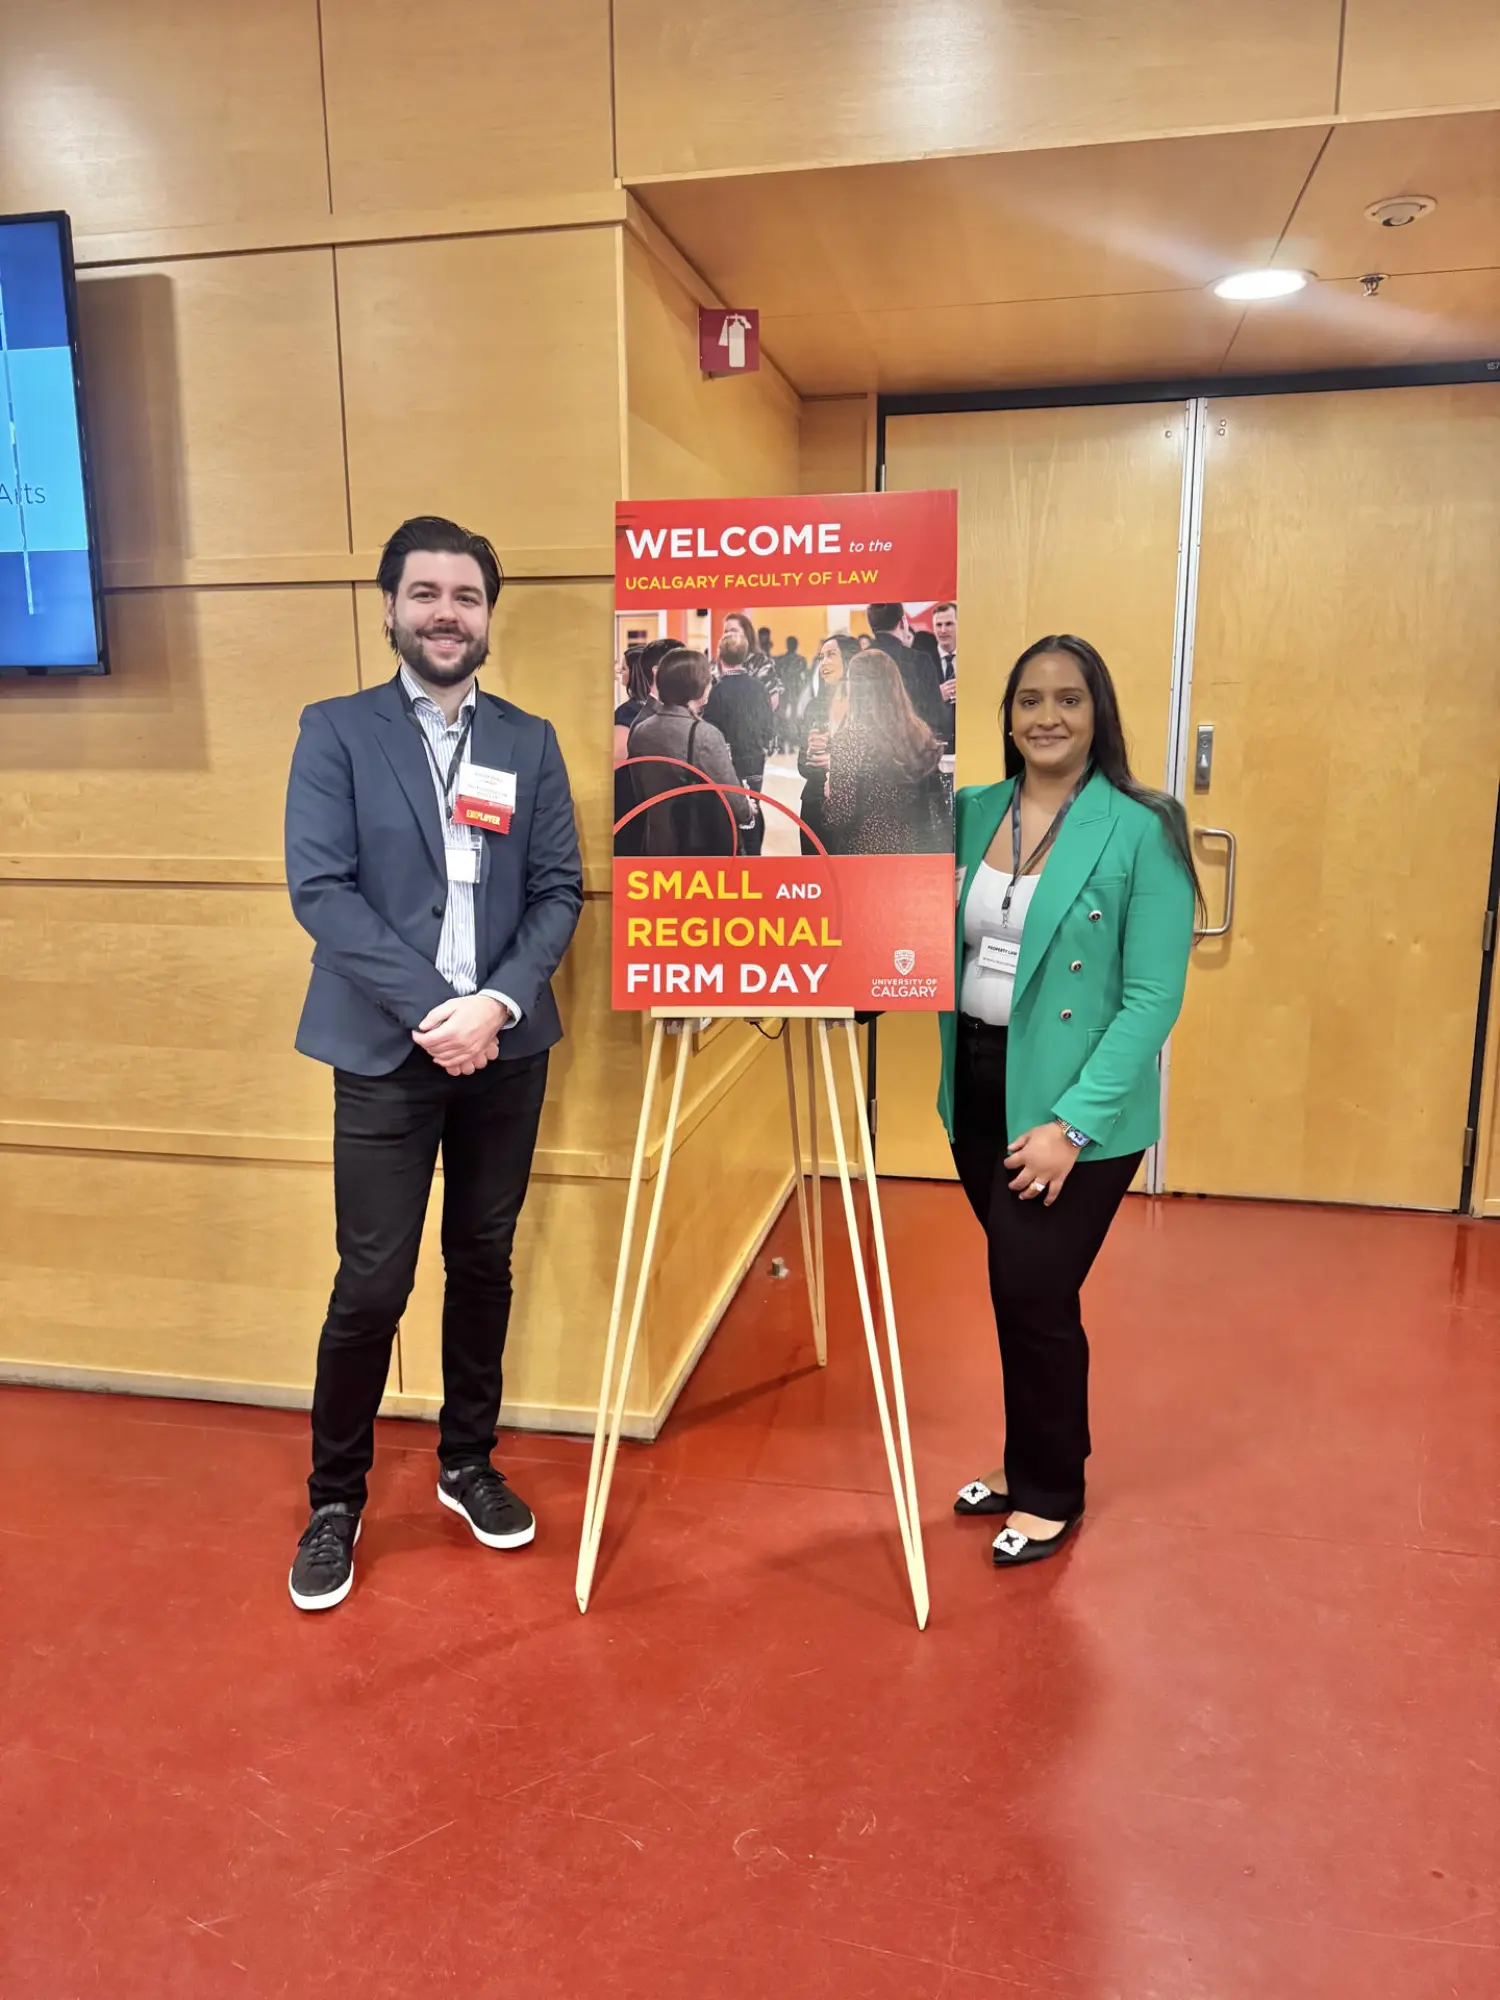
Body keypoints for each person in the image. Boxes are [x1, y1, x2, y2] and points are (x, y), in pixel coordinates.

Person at [282, 515, 584, 1612]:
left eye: (466, 594)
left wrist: (496, 1002)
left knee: (484, 1257)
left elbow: (558, 888)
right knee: (373, 1279)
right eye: (426, 593)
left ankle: (466, 1461)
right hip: (384, 1047)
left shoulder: (529, 739)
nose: (446, 612)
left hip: (507, 1047)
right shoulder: (337, 732)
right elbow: (322, 891)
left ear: (488, 615)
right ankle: (334, 1500)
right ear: (391, 608)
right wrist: (435, 1011)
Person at [938, 634, 1200, 1568]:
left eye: (1069, 700)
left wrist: (1072, 1126)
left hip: (1073, 1108)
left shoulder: (1141, 826)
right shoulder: (969, 812)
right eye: (1028, 700)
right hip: (975, 1081)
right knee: (1022, 1292)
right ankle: (1032, 1462)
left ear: (1099, 716)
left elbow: (1152, 996)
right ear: (1006, 716)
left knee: (1034, 1290)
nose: (1047, 717)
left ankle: (1052, 1491)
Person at [627, 648, 755, 855]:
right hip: (697, 848)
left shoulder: (640, 729)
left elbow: (639, 793)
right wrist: (748, 810)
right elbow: (734, 799)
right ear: (699, 686)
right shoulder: (705, 735)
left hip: (655, 844)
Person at [824, 648, 949, 855]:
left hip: (866, 857)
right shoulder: (919, 733)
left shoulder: (849, 739)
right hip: (914, 854)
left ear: (857, 688)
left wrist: (828, 794)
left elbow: (839, 815)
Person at [704, 615, 776, 855]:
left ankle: (737, 853)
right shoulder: (759, 688)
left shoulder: (718, 691)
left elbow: (711, 728)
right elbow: (768, 723)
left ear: (721, 659)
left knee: (732, 808)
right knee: (753, 805)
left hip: (729, 760)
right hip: (755, 759)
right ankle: (755, 854)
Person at [613, 636, 676, 855]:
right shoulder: (650, 711)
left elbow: (619, 760)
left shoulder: (628, 713)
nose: (619, 674)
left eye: (623, 669)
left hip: (634, 804)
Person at [796, 633, 858, 854]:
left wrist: (835, 762)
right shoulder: (815, 706)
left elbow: (876, 762)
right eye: (821, 657)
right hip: (814, 804)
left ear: (850, 660)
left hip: (853, 808)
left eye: (831, 655)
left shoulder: (865, 708)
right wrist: (810, 754)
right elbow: (801, 765)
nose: (824, 663)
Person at [930, 601, 958, 752]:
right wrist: (936, 695)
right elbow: (914, 702)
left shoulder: (973, 658)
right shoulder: (922, 660)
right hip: (936, 745)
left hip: (969, 740)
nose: (943, 630)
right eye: (938, 625)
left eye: (949, 624)